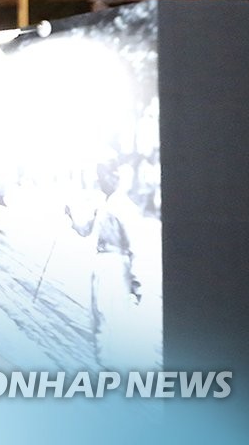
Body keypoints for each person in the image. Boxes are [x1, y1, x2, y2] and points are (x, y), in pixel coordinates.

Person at [66, 154, 143, 368]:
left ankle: (113, 370)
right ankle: (105, 368)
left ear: (114, 176)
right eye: (98, 177)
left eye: (102, 176)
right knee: (99, 319)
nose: (99, 181)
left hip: (117, 268)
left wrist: (136, 284)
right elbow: (85, 230)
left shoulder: (125, 207)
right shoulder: (102, 205)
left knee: (112, 322)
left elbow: (134, 247)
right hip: (101, 265)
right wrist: (71, 217)